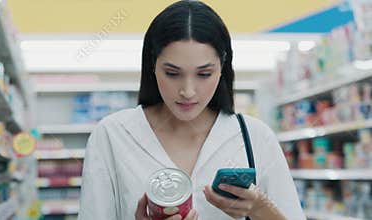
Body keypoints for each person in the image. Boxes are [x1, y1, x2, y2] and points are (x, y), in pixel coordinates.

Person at [78, 1, 306, 220]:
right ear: (153, 65)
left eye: (204, 74)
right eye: (173, 73)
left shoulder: (255, 137)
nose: (187, 91)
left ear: (222, 68)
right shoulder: (112, 135)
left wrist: (259, 209)